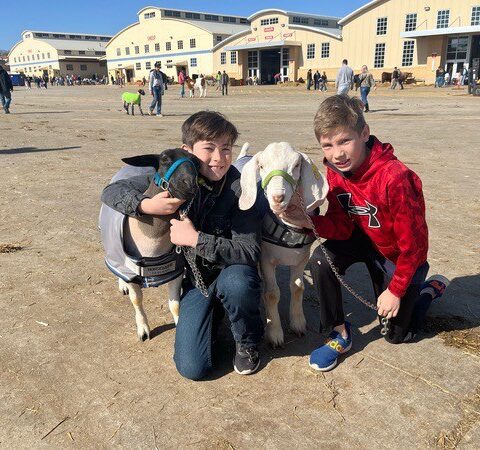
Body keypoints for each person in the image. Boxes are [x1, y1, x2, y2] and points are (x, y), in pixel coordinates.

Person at [281, 95, 448, 372]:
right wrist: (310, 221)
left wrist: (395, 290)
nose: (337, 153)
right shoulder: (334, 170)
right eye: (328, 145)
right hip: (361, 239)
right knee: (322, 259)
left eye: (345, 140)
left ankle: (427, 293)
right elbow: (340, 224)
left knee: (397, 335)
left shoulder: (395, 178)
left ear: (364, 133)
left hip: (397, 252)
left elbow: (415, 246)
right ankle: (339, 333)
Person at [101, 111, 264, 380]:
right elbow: (111, 192)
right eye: (208, 149)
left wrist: (196, 239)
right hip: (194, 280)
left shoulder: (241, 187)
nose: (218, 158)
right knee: (193, 368)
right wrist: (144, 205)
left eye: (226, 149)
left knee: (238, 284)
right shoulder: (176, 177)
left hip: (231, 269)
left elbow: (249, 251)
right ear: (186, 151)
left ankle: (247, 341)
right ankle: (215, 314)